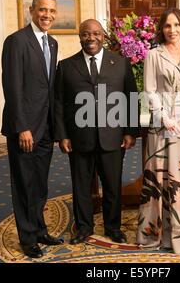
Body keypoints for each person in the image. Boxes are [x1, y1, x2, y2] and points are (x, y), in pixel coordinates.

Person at [54, 19, 139, 245]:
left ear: (103, 36)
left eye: (95, 33)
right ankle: (83, 227)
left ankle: (113, 228)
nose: (90, 38)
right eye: (85, 34)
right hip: (79, 139)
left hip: (112, 138)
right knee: (81, 186)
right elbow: (59, 103)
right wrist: (62, 135)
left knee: (112, 186)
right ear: (79, 36)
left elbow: (131, 98)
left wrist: (130, 131)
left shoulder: (120, 63)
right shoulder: (65, 66)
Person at [136, 8, 180, 254]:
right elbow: (150, 90)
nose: (172, 30)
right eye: (167, 25)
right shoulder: (153, 55)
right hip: (160, 124)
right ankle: (153, 235)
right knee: (159, 178)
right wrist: (165, 118)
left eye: (177, 25)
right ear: (161, 29)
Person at [1, 0, 63, 259]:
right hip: (25, 128)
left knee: (40, 184)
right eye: (42, 10)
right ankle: (27, 238)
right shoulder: (16, 41)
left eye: (51, 11)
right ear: (31, 11)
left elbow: (48, 88)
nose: (47, 15)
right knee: (25, 184)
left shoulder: (53, 42)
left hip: (46, 127)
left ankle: (39, 230)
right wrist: (22, 127)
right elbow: (12, 87)